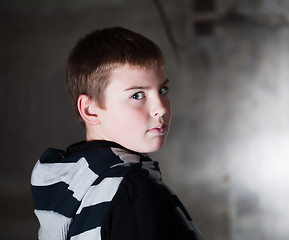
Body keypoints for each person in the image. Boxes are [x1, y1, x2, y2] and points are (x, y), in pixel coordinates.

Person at [31, 27, 204, 240]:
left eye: (162, 90)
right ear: (90, 110)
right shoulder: (133, 192)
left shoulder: (72, 183)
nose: (160, 107)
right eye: (137, 95)